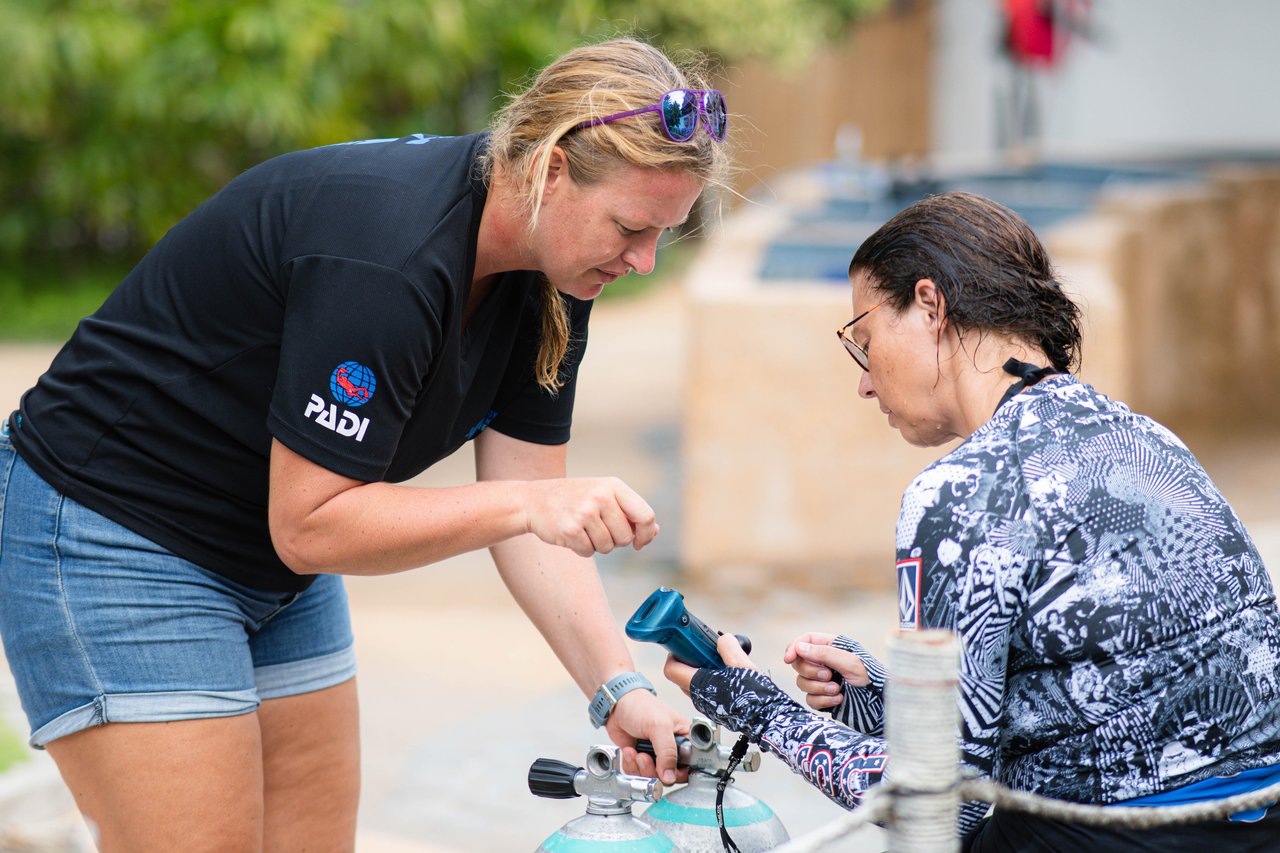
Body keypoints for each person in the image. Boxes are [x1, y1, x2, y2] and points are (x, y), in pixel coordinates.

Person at [0, 37, 730, 850]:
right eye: (631, 227)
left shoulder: (557, 269)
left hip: (271, 561)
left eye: (664, 232)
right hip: (116, 535)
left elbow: (536, 522)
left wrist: (617, 688)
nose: (643, 260)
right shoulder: (392, 254)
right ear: (551, 168)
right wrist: (527, 503)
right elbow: (313, 521)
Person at [666, 192, 1280, 850]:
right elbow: (1096, 691)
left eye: (864, 341)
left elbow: (938, 801)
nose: (865, 382)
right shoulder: (1148, 440)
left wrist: (756, 706)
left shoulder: (961, 491)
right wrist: (881, 696)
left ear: (930, 305)